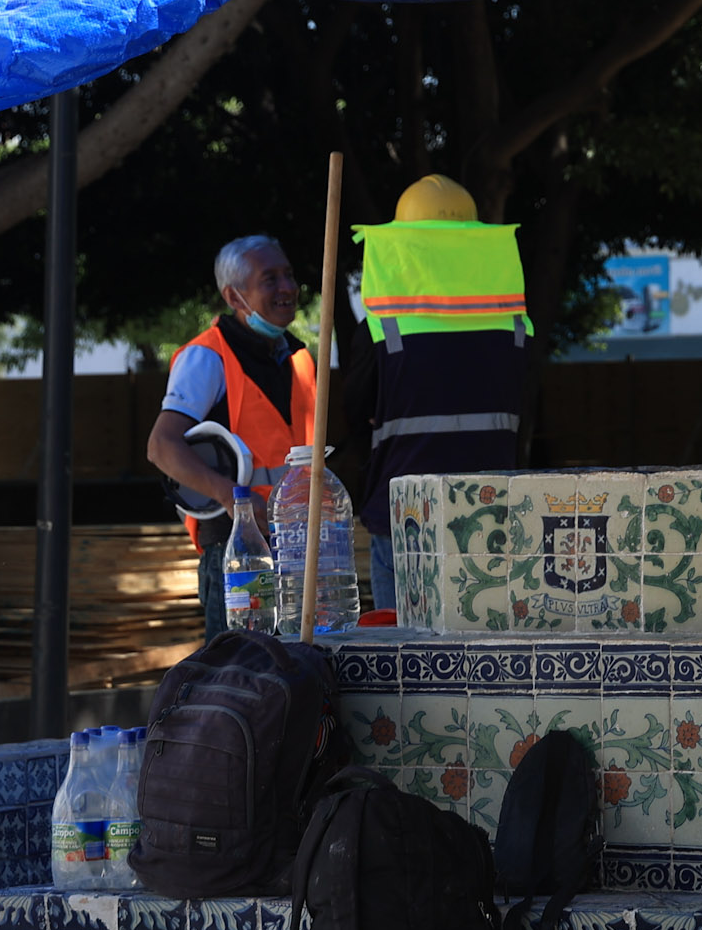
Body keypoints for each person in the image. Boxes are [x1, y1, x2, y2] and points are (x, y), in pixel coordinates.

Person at [343, 176, 533, 616]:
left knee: (406, 663)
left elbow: (357, 415)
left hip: (405, 517)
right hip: (493, 512)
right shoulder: (513, 326)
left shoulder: (381, 328)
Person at [146, 235, 315, 638]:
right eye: (270, 279)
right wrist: (232, 498)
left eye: (289, 276)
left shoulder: (300, 357)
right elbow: (161, 446)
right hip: (239, 556)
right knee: (245, 683)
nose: (287, 288)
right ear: (235, 297)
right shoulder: (207, 357)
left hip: (298, 551)